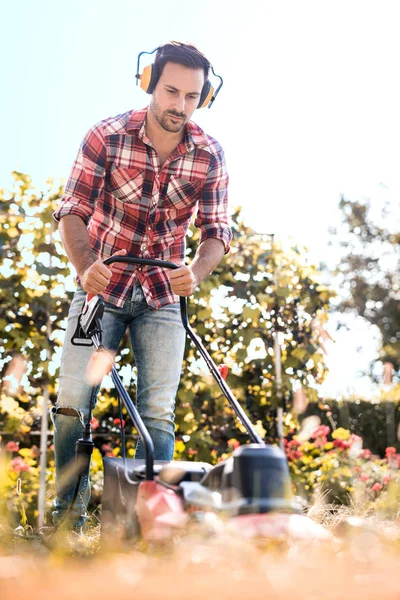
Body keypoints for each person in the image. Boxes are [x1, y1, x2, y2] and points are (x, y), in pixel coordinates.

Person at [51, 41, 232, 530]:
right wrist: (86, 262)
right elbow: (71, 211)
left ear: (204, 97)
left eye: (192, 96)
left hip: (161, 299)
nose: (179, 105)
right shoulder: (106, 136)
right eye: (171, 91)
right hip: (99, 292)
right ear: (150, 82)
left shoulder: (210, 154)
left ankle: (155, 524)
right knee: (72, 400)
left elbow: (217, 233)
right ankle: (67, 519)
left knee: (157, 413)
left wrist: (195, 272)